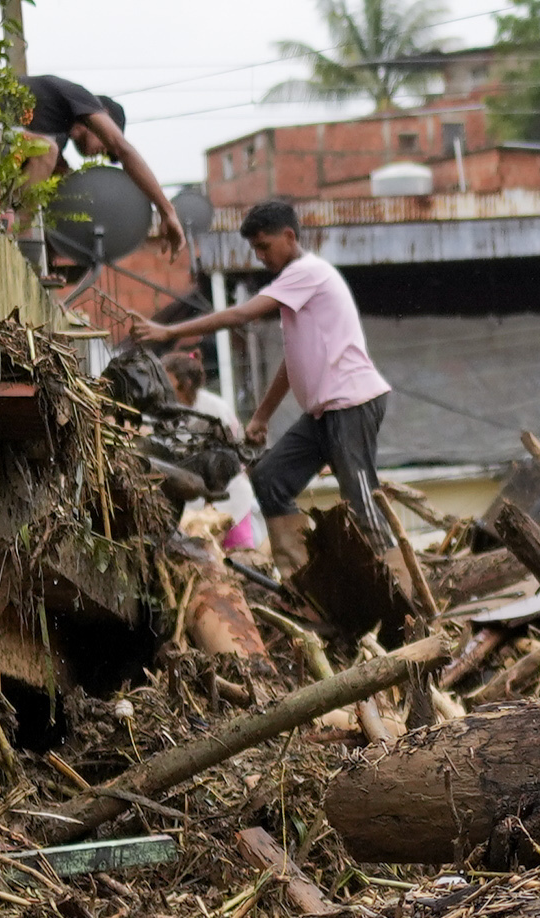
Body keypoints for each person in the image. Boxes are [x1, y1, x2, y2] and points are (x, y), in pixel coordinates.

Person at [161, 201, 409, 640]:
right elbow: (291, 365)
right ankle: (304, 590)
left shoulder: (306, 271)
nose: (261, 256)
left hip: (351, 403)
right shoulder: (296, 287)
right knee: (271, 479)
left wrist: (168, 333)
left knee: (361, 499)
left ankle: (405, 611)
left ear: (290, 238)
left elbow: (241, 314)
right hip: (322, 413)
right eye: (255, 249)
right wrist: (261, 416)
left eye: (264, 246)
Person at [21, 74, 184, 251]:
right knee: (47, 151)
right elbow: (123, 149)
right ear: (104, 114)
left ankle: (16, 232)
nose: (104, 153)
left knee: (52, 168)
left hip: (0, 146)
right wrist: (167, 211)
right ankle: (17, 237)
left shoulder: (57, 131)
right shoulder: (82, 97)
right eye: (107, 148)